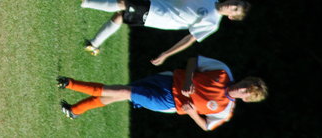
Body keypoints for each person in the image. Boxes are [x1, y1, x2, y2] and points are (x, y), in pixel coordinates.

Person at [57, 55, 267, 131]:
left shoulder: (225, 110)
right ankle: (75, 110)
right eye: (246, 84)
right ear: (245, 79)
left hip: (168, 103)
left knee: (122, 91)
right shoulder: (223, 71)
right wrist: (188, 79)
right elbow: (194, 61)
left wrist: (192, 112)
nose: (241, 88)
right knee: (119, 94)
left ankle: (69, 83)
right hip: (167, 79)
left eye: (246, 92)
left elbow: (206, 126)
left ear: (246, 99)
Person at [81, 0, 249, 62]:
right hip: (155, 4)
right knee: (120, 15)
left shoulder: (212, 24)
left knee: (123, 4)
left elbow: (189, 39)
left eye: (235, 9)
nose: (232, 6)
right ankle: (94, 44)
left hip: (157, 17)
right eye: (235, 3)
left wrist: (166, 54)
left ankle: (84, 2)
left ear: (231, 17)